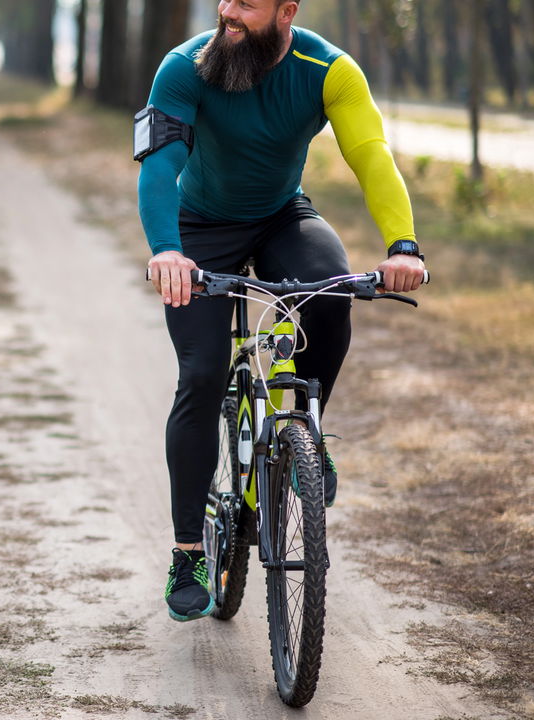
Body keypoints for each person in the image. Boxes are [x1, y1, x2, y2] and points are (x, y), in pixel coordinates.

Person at [135, 0, 426, 622]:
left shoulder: (328, 69)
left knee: (332, 288)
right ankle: (188, 551)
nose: (227, 11)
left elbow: (371, 155)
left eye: (246, 3)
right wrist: (166, 251)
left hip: (280, 217)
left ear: (287, 10)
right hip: (198, 227)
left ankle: (305, 434)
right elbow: (160, 165)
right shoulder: (184, 66)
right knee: (203, 374)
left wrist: (402, 245)